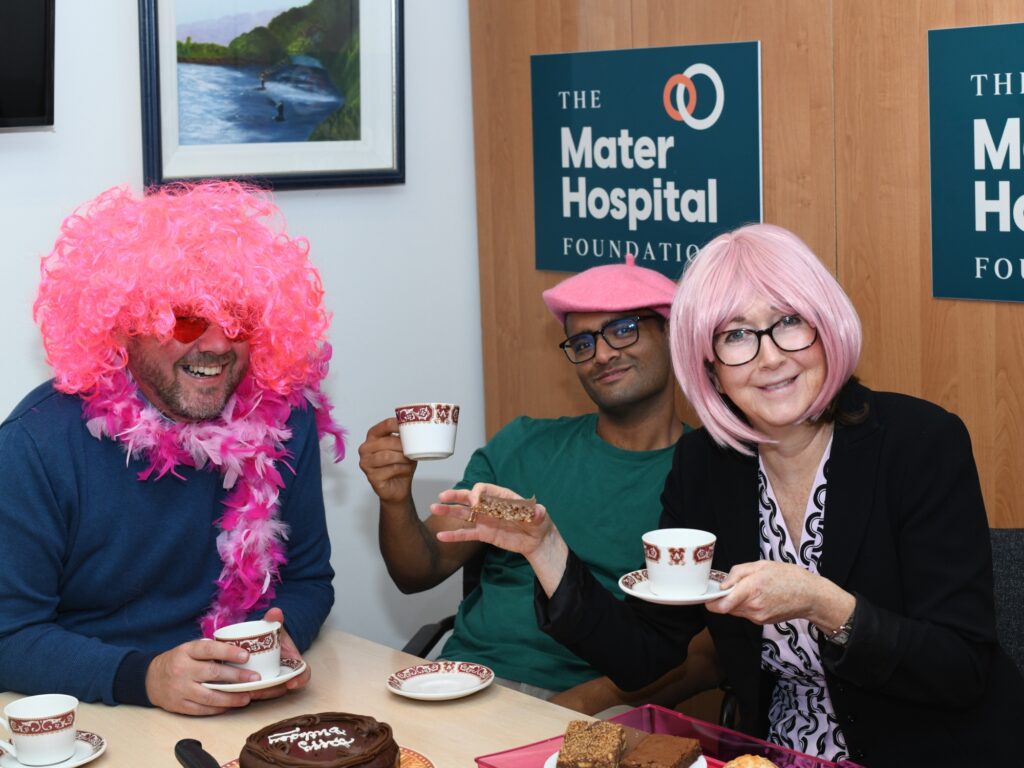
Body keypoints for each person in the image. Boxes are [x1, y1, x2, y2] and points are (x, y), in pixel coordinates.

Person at [432, 224, 1024, 766]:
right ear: (709, 366)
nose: (769, 357)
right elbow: (645, 654)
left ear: (827, 327)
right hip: (772, 754)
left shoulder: (920, 443)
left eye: (789, 321)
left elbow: (961, 668)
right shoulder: (708, 464)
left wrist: (825, 605)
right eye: (736, 335)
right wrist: (547, 549)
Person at [0, 182, 345, 716]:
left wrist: (277, 637)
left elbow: (307, 579)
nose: (214, 344)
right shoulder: (37, 443)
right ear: (124, 325)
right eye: (186, 318)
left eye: (238, 319)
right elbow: (9, 635)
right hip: (100, 711)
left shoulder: (284, 420)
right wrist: (147, 678)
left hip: (251, 707)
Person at [358, 255, 720, 715]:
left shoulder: (708, 473)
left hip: (603, 703)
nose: (603, 354)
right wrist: (395, 501)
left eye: (624, 329)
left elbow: (709, 656)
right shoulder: (524, 447)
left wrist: (573, 707)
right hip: (464, 684)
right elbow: (420, 570)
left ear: (673, 334)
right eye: (583, 342)